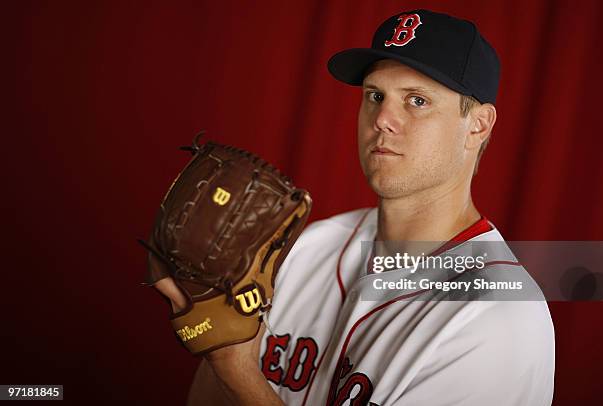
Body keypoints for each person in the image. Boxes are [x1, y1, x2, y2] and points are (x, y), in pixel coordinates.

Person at [156, 9, 555, 405]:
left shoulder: (499, 319)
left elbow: (235, 372)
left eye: (416, 100)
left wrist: (234, 364)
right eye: (375, 96)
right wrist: (214, 334)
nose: (383, 118)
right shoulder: (306, 247)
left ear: (478, 125)